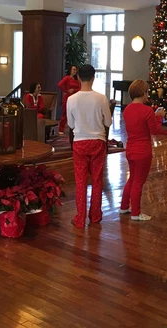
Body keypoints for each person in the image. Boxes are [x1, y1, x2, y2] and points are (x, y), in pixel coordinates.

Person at [66, 65, 112, 228]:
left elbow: (71, 124)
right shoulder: (101, 98)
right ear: (93, 77)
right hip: (98, 141)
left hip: (79, 142)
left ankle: (80, 218)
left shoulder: (71, 99)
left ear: (78, 78)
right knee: (97, 180)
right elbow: (108, 122)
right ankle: (95, 216)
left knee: (81, 181)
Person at [119, 79, 165, 222]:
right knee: (138, 182)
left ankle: (124, 206)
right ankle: (136, 213)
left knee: (132, 179)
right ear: (143, 93)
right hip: (143, 150)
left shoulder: (127, 109)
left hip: (130, 148)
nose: (147, 95)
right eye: (147, 92)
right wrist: (159, 118)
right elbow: (154, 131)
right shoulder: (147, 110)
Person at [57, 65, 81, 136]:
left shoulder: (77, 79)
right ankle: (61, 130)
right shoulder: (67, 78)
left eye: (75, 70)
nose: (75, 71)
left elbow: (80, 88)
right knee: (65, 114)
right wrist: (66, 91)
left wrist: (74, 90)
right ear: (70, 70)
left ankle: (74, 129)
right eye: (73, 69)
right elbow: (59, 85)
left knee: (75, 114)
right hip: (67, 98)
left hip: (75, 98)